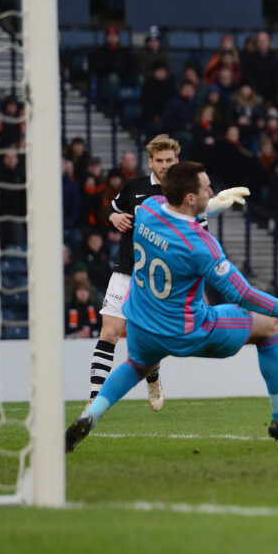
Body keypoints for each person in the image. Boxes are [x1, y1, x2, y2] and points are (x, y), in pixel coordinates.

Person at [65, 162, 278, 452]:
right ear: (189, 198)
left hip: (142, 324)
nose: (211, 191)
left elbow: (167, 208)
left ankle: (90, 415)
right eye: (206, 189)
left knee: (136, 364)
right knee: (271, 325)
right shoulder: (200, 245)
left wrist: (209, 207)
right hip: (185, 329)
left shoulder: (146, 211)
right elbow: (243, 294)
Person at [89, 135, 179, 412]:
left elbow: (200, 232)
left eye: (169, 160)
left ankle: (152, 377)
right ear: (150, 162)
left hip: (160, 278)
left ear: (177, 161)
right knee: (109, 332)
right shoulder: (135, 188)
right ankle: (93, 402)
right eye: (159, 161)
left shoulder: (187, 191)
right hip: (127, 268)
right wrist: (113, 216)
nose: (164, 165)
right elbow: (110, 210)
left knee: (148, 340)